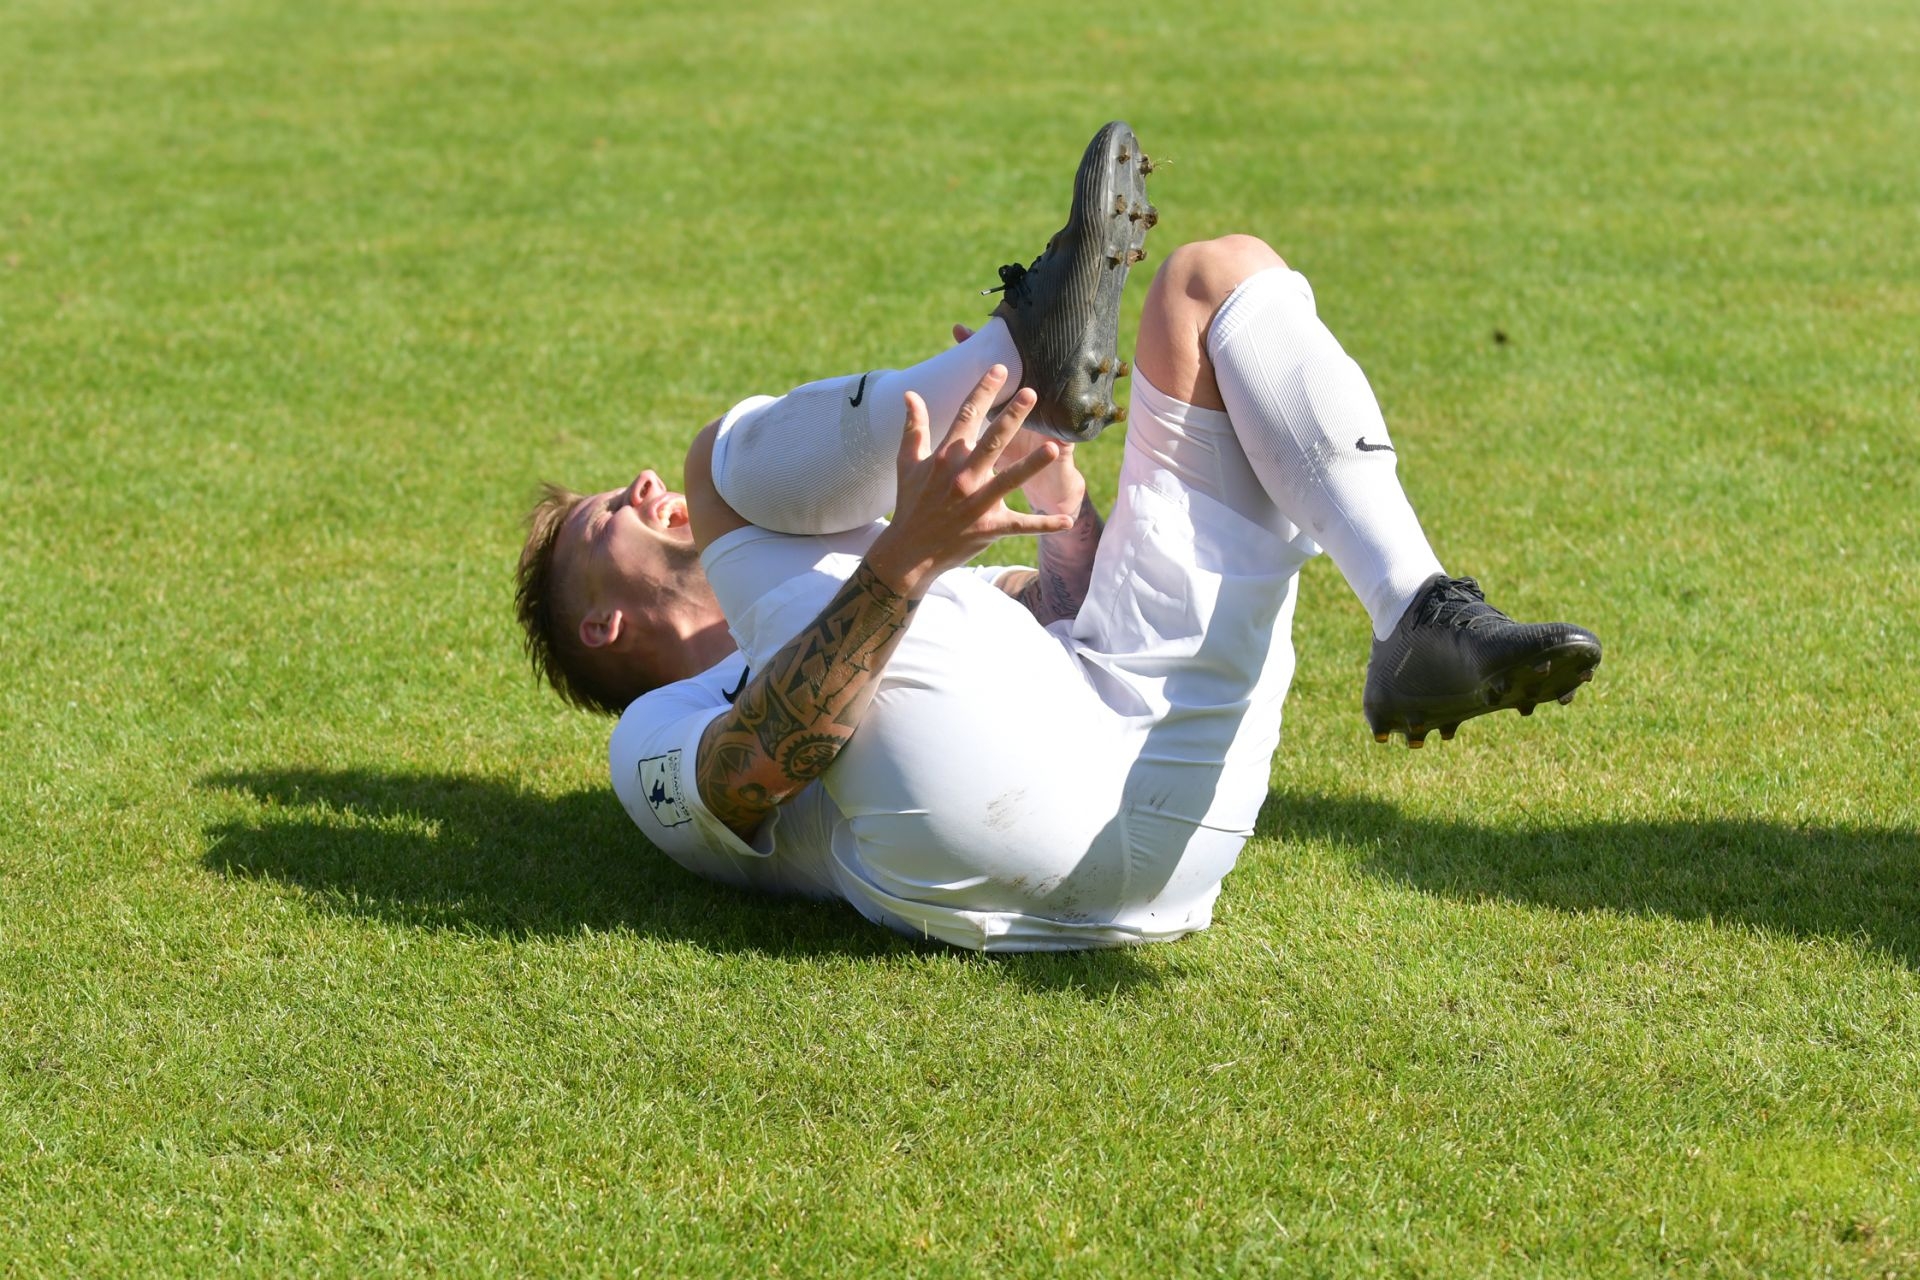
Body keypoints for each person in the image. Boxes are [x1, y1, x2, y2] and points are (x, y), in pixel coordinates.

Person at [513, 123, 1601, 951]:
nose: (641, 485)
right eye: (604, 517)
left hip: (1182, 816)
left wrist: (1062, 499)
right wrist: (907, 556)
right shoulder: (648, 733)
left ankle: (1417, 608)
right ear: (601, 626)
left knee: (1215, 279)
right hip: (983, 843)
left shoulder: (879, 573)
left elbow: (1081, 621)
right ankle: (1008, 350)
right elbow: (750, 772)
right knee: (719, 459)